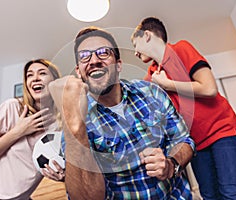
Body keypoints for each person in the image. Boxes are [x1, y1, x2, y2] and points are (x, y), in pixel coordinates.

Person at [48, 26, 195, 200]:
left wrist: (171, 164)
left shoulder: (151, 92)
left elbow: (184, 140)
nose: (94, 60)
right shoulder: (76, 122)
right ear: (79, 71)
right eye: (84, 56)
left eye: (103, 52)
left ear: (118, 65)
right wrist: (74, 123)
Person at [131, 16, 236, 199]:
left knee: (233, 194)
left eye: (134, 44)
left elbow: (209, 88)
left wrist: (168, 84)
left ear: (146, 35)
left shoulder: (181, 49)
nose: (135, 53)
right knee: (209, 196)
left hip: (221, 132)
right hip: (195, 144)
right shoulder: (151, 77)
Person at [0, 59, 65, 200]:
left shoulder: (61, 125)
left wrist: (63, 176)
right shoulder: (12, 107)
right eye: (29, 75)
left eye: (42, 73)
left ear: (55, 81)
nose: (35, 78)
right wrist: (18, 131)